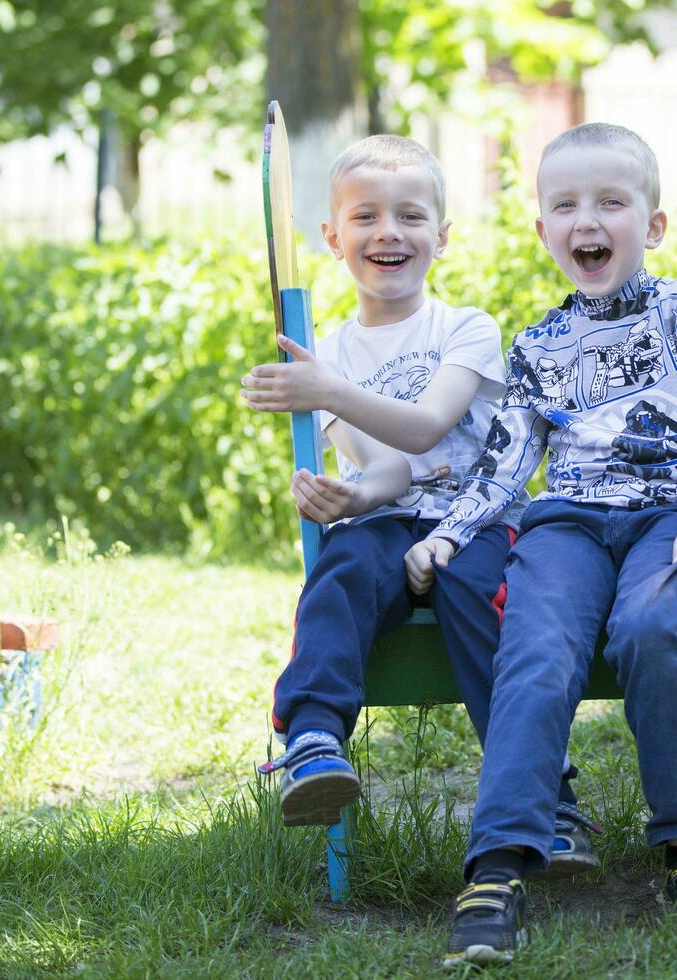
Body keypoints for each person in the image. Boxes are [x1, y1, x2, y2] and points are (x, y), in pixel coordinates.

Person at [403, 122, 677, 966]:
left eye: (611, 202)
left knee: (650, 629)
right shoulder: (536, 347)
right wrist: (451, 535)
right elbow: (504, 467)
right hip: (565, 521)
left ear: (654, 224)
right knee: (536, 650)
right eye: (565, 205)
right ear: (542, 231)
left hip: (672, 515)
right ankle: (497, 863)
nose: (587, 221)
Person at [241, 136, 597, 871]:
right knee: (340, 573)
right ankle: (312, 741)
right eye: (365, 216)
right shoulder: (327, 349)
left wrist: (325, 390)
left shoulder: (466, 328)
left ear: (442, 235)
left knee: (481, 594)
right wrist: (348, 496)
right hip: (388, 517)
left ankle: (542, 791)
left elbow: (430, 426)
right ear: (333, 238)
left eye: (410, 216)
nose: (388, 233)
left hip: (476, 516)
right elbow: (389, 470)